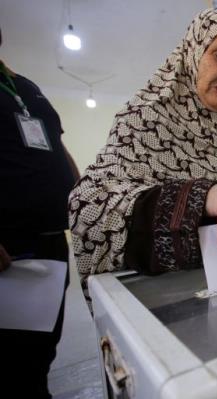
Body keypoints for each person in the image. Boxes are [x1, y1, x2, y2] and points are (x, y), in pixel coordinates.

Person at [69, 9, 217, 280]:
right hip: (172, 295)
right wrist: (201, 196)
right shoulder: (147, 115)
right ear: (193, 52)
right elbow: (88, 205)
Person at [0, 27, 79, 398]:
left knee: (40, 352)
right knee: (11, 361)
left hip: (49, 244)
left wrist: (84, 199)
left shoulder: (26, 86)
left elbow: (56, 145)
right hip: (8, 250)